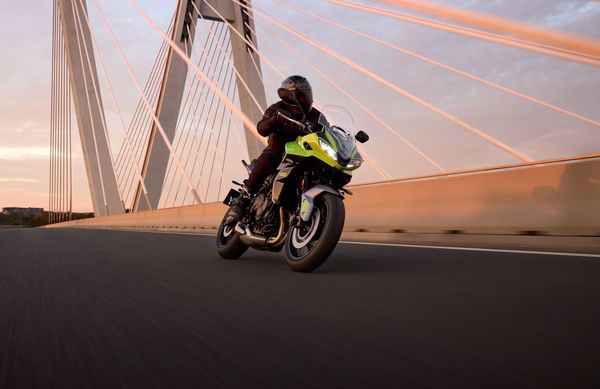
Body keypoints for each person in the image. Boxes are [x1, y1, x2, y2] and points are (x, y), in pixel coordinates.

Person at [227, 75, 323, 222]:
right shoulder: (277, 108)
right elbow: (261, 129)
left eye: (305, 93)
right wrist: (274, 119)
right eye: (300, 94)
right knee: (268, 159)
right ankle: (243, 199)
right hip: (279, 151)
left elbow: (325, 130)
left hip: (304, 154)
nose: (304, 97)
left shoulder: (315, 115)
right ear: (290, 95)